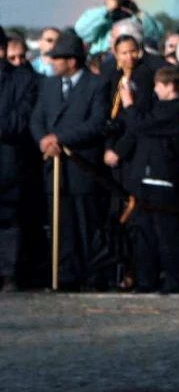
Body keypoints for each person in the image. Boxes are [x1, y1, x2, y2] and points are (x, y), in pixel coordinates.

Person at [29, 31, 109, 290]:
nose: (51, 62)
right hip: (54, 168)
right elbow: (37, 118)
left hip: (81, 166)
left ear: (72, 61)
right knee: (60, 224)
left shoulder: (96, 84)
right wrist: (44, 140)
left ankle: (90, 275)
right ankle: (63, 274)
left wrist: (60, 138)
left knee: (85, 224)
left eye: (57, 58)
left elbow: (96, 123)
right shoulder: (49, 85)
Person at [118, 65, 179, 293]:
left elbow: (141, 124)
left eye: (158, 86)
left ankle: (174, 279)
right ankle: (146, 278)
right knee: (145, 232)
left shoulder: (175, 111)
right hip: (146, 176)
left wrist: (128, 104)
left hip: (164, 177)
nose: (156, 91)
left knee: (167, 233)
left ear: (170, 86)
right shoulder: (158, 107)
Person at [0, 27, 38, 291]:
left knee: (9, 219)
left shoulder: (23, 79)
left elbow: (19, 120)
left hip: (8, 161)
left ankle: (9, 273)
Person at [74, 0, 165, 54]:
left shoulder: (136, 16)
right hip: (102, 57)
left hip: (129, 57)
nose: (119, 2)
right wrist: (106, 11)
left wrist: (137, 13)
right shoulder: (99, 15)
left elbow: (155, 34)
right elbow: (81, 31)